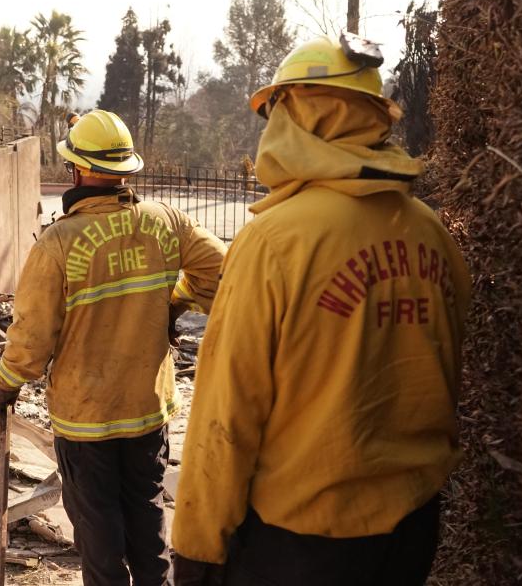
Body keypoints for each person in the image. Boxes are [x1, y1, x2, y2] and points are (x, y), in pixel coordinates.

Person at [171, 35, 472, 586]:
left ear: (299, 114)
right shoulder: (431, 234)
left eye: (278, 111)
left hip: (304, 543)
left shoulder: (276, 242)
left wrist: (197, 543)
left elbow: (227, 413)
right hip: (412, 527)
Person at [0, 110, 227, 586]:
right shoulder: (165, 222)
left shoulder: (58, 243)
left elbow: (31, 338)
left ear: (76, 170)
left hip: (86, 419)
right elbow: (224, 271)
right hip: (147, 410)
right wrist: (176, 305)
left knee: (100, 541)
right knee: (148, 526)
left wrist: (4, 389)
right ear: (127, 169)